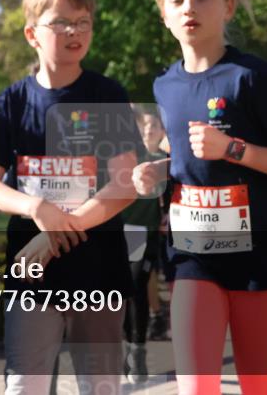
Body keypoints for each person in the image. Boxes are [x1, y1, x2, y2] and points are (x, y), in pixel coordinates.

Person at [132, 0, 267, 395]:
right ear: (164, 15)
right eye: (176, 0)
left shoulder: (251, 77)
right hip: (193, 255)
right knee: (196, 387)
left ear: (228, 5)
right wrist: (159, 170)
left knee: (256, 384)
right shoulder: (165, 84)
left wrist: (233, 149)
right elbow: (188, 156)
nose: (189, 7)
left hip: (259, 255)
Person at [0, 0, 141, 395]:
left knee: (101, 387)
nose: (74, 31)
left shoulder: (107, 94)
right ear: (32, 33)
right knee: (23, 386)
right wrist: (36, 210)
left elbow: (126, 184)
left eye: (83, 21)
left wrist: (58, 232)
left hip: (99, 273)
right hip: (31, 276)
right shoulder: (11, 101)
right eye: (61, 22)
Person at [120, 110, 166, 384]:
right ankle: (127, 346)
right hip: (120, 232)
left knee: (137, 287)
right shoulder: (124, 159)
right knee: (121, 292)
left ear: (161, 131)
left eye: (154, 125)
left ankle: (137, 350)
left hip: (146, 234)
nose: (148, 129)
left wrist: (168, 213)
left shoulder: (165, 161)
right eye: (144, 125)